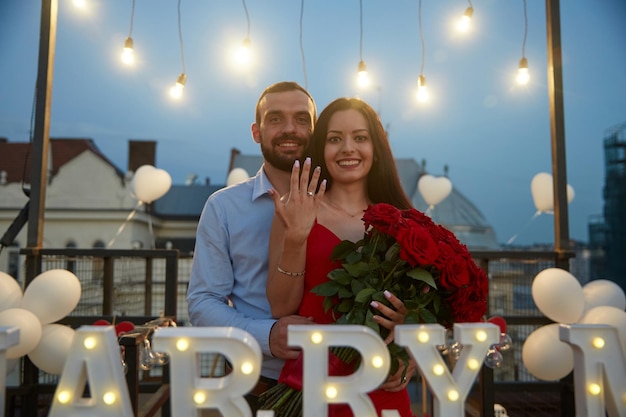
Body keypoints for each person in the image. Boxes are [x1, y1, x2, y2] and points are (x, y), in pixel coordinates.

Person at [266, 97, 416, 417]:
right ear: (321, 149)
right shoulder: (295, 208)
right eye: (335, 139)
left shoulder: (405, 222)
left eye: (360, 138)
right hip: (311, 382)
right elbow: (281, 307)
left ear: (376, 149)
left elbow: (423, 310)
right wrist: (296, 237)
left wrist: (410, 339)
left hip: (381, 384)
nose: (348, 148)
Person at [186, 81, 319, 411]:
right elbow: (203, 302)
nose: (290, 129)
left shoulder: (344, 201)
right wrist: (265, 335)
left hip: (344, 381)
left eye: (302, 119)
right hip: (257, 386)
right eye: (275, 119)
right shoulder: (223, 207)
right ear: (256, 131)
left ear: (316, 130)